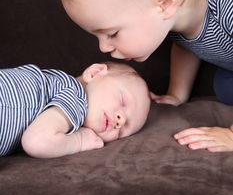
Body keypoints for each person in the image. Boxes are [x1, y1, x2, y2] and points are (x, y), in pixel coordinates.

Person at [58, 0, 233, 152]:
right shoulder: (175, 15)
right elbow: (188, 43)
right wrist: (176, 95)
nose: (104, 47)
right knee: (225, 86)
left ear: (164, 3)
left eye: (112, 33)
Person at [0, 62, 150, 158]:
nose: (121, 120)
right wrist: (80, 141)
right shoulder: (76, 97)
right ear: (94, 73)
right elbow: (36, 141)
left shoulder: (55, 83)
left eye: (123, 131)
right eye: (123, 100)